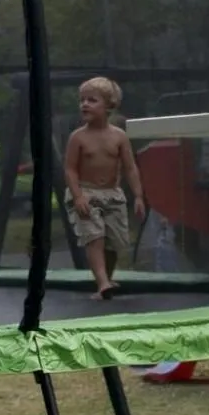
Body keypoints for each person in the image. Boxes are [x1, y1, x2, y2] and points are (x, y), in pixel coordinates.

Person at [64, 76, 147, 300]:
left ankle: (106, 280)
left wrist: (138, 196)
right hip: (86, 192)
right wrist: (78, 196)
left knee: (113, 241)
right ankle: (102, 282)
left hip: (112, 194)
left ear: (109, 105)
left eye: (92, 100)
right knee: (95, 236)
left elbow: (130, 168)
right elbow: (70, 169)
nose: (84, 104)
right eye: (82, 100)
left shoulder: (119, 137)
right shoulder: (78, 137)